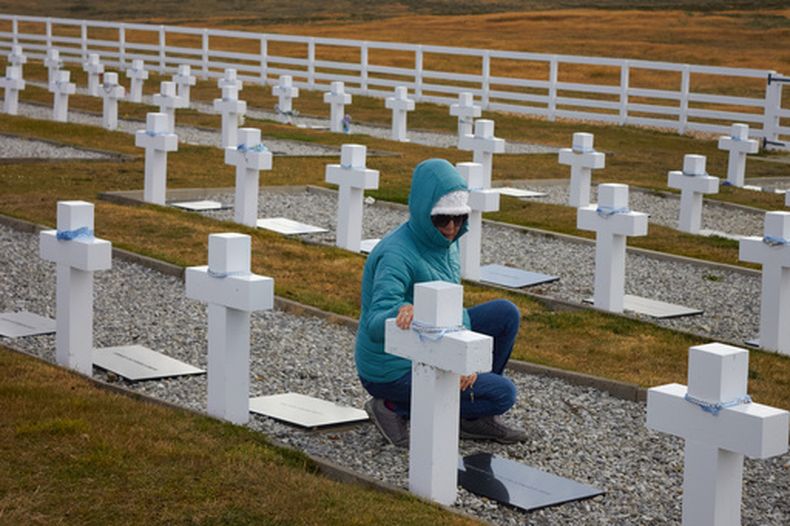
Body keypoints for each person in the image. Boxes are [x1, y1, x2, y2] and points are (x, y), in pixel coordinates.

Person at [356, 158, 527, 447]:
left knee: (505, 314)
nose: (451, 227)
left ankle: (472, 417)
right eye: (441, 218)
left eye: (458, 217)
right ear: (424, 212)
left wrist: (468, 363)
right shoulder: (396, 254)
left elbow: (450, 302)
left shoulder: (447, 241)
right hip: (391, 368)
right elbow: (375, 325)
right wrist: (401, 311)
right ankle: (391, 408)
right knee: (503, 395)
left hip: (429, 336)